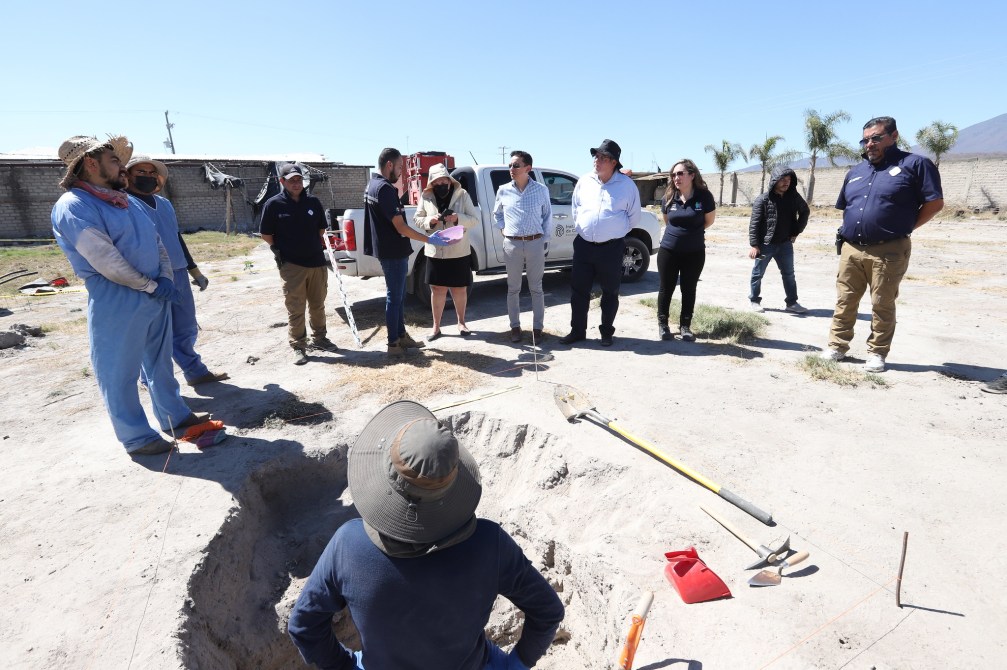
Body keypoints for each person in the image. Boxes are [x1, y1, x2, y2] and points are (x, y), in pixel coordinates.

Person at [287, 400, 565, 670]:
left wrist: (342, 665)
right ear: (454, 481)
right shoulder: (489, 542)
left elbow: (303, 625)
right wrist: (516, 664)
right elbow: (548, 611)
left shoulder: (348, 543)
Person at [51, 135, 208, 456]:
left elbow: (159, 242)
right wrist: (151, 285)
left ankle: (173, 415)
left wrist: (165, 278)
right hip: (116, 299)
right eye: (113, 161)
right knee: (119, 370)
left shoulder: (126, 200)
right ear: (91, 164)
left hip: (156, 294)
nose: (122, 167)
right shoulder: (74, 205)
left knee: (160, 362)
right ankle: (136, 436)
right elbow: (104, 259)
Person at [821, 116, 944, 372]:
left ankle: (877, 352)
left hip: (889, 249)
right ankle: (837, 346)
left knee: (882, 303)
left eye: (876, 138)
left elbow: (934, 204)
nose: (870, 144)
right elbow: (847, 208)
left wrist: (904, 228)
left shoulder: (915, 165)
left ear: (894, 136)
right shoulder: (855, 172)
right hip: (851, 248)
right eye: (865, 140)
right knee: (845, 300)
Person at [125, 154, 228, 385]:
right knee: (153, 333)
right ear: (128, 176)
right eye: (141, 172)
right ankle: (151, 380)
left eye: (152, 173)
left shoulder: (164, 204)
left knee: (185, 326)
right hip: (151, 277)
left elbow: (176, 238)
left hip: (178, 272)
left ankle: (195, 372)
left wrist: (195, 271)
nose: (148, 177)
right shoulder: (125, 203)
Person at [362, 148, 454, 357]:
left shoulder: (372, 185)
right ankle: (393, 344)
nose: (402, 172)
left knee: (398, 297)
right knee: (394, 298)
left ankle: (401, 335)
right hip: (393, 252)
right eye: (400, 167)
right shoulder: (384, 189)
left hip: (390, 250)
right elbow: (400, 227)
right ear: (389, 165)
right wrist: (429, 238)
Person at [560, 139, 640, 347]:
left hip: (611, 247)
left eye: (603, 157)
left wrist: (613, 231)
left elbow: (634, 218)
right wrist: (585, 228)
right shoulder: (584, 181)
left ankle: (606, 332)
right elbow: (575, 209)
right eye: (596, 156)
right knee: (578, 291)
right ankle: (577, 331)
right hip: (584, 245)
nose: (597, 160)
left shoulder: (626, 185)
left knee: (610, 291)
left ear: (614, 162)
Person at [260, 163, 336, 366]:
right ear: (281, 181)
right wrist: (282, 250)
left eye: (299, 179)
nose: (296, 183)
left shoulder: (313, 202)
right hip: (292, 266)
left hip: (317, 263)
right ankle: (298, 346)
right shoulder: (274, 204)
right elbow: (266, 234)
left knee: (318, 305)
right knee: (296, 308)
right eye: (291, 180)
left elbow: (321, 230)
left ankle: (320, 338)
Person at [413, 163, 480, 340]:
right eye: (438, 182)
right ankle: (436, 327)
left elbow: (474, 220)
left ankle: (462, 323)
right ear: (432, 183)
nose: (442, 184)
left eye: (445, 180)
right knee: (437, 289)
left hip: (458, 250)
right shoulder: (426, 196)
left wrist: (458, 217)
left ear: (450, 181)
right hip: (436, 251)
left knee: (459, 289)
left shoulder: (462, 194)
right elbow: (417, 219)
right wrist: (430, 221)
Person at [493, 150, 552, 344]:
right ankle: (515, 327)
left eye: (516, 165)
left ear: (528, 168)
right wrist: (503, 230)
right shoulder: (503, 190)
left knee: (536, 288)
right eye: (510, 165)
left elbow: (547, 217)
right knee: (513, 288)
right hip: (512, 244)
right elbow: (497, 214)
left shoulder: (541, 190)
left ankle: (537, 328)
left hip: (535, 242)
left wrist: (544, 240)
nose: (511, 169)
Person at [655, 159, 716, 342]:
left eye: (680, 173)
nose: (676, 177)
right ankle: (663, 325)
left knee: (689, 289)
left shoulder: (704, 197)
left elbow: (709, 221)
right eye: (673, 174)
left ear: (692, 175)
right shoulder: (668, 197)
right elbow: (668, 221)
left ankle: (685, 326)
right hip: (669, 251)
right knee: (666, 288)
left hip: (694, 252)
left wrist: (691, 234)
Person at [747, 165, 810, 314]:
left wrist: (796, 231)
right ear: (774, 180)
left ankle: (792, 303)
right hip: (765, 245)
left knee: (789, 274)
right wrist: (754, 245)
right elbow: (754, 224)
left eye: (788, 179)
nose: (786, 182)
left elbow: (805, 211)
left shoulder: (794, 197)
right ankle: (754, 301)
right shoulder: (763, 199)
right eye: (782, 179)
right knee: (758, 273)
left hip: (785, 244)